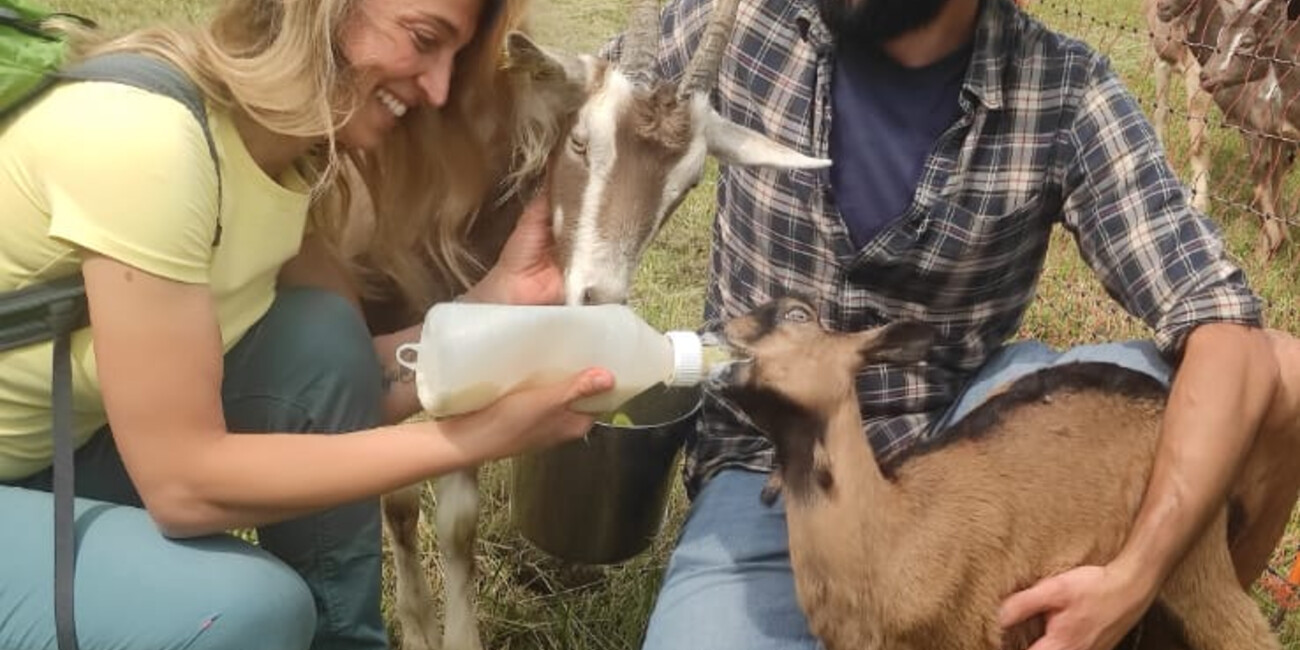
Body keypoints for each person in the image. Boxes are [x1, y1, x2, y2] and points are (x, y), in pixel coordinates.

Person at [621, 0, 1300, 649]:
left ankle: (1157, 625)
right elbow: (583, 103)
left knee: (1281, 376)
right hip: (773, 466)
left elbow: (1220, 321)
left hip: (965, 446)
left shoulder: (1062, 89)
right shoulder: (743, 21)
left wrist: (1137, 576)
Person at [0, 0, 613, 648]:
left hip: (60, 452)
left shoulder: (285, 160)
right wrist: (477, 437)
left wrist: (501, 299)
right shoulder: (148, 140)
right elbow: (183, 485)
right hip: (54, 474)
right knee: (248, 611)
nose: (437, 89)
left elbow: (349, 389)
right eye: (424, 39)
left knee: (322, 339)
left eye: (454, 60)